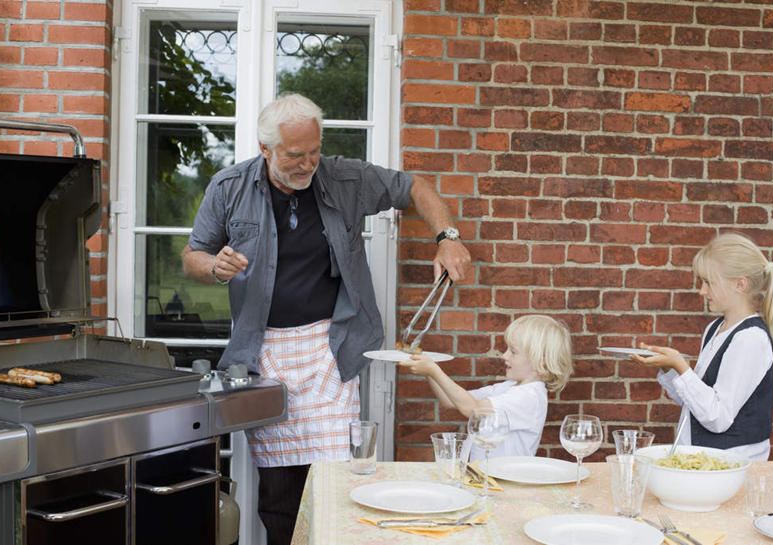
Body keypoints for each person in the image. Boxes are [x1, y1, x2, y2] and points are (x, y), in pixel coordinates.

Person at [181, 93, 471, 545]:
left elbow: (414, 187)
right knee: (278, 490)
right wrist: (212, 266)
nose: (307, 163)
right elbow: (192, 256)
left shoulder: (343, 178)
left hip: (328, 349)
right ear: (266, 150)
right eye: (295, 155)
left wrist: (447, 237)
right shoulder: (229, 187)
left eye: (314, 151)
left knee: (336, 477)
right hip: (266, 351)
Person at [630, 232, 773, 462]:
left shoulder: (750, 339)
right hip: (702, 461)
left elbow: (717, 417)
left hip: (729, 466)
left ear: (740, 284)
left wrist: (681, 366)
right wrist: (668, 367)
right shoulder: (715, 328)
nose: (702, 291)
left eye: (708, 283)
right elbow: (694, 404)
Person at [399, 315, 574, 461]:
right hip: (486, 477)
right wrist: (428, 370)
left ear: (540, 361)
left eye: (513, 351)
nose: (504, 355)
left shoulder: (530, 397)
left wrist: (434, 370)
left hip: (505, 481)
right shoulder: (510, 387)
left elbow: (472, 409)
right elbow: (451, 401)